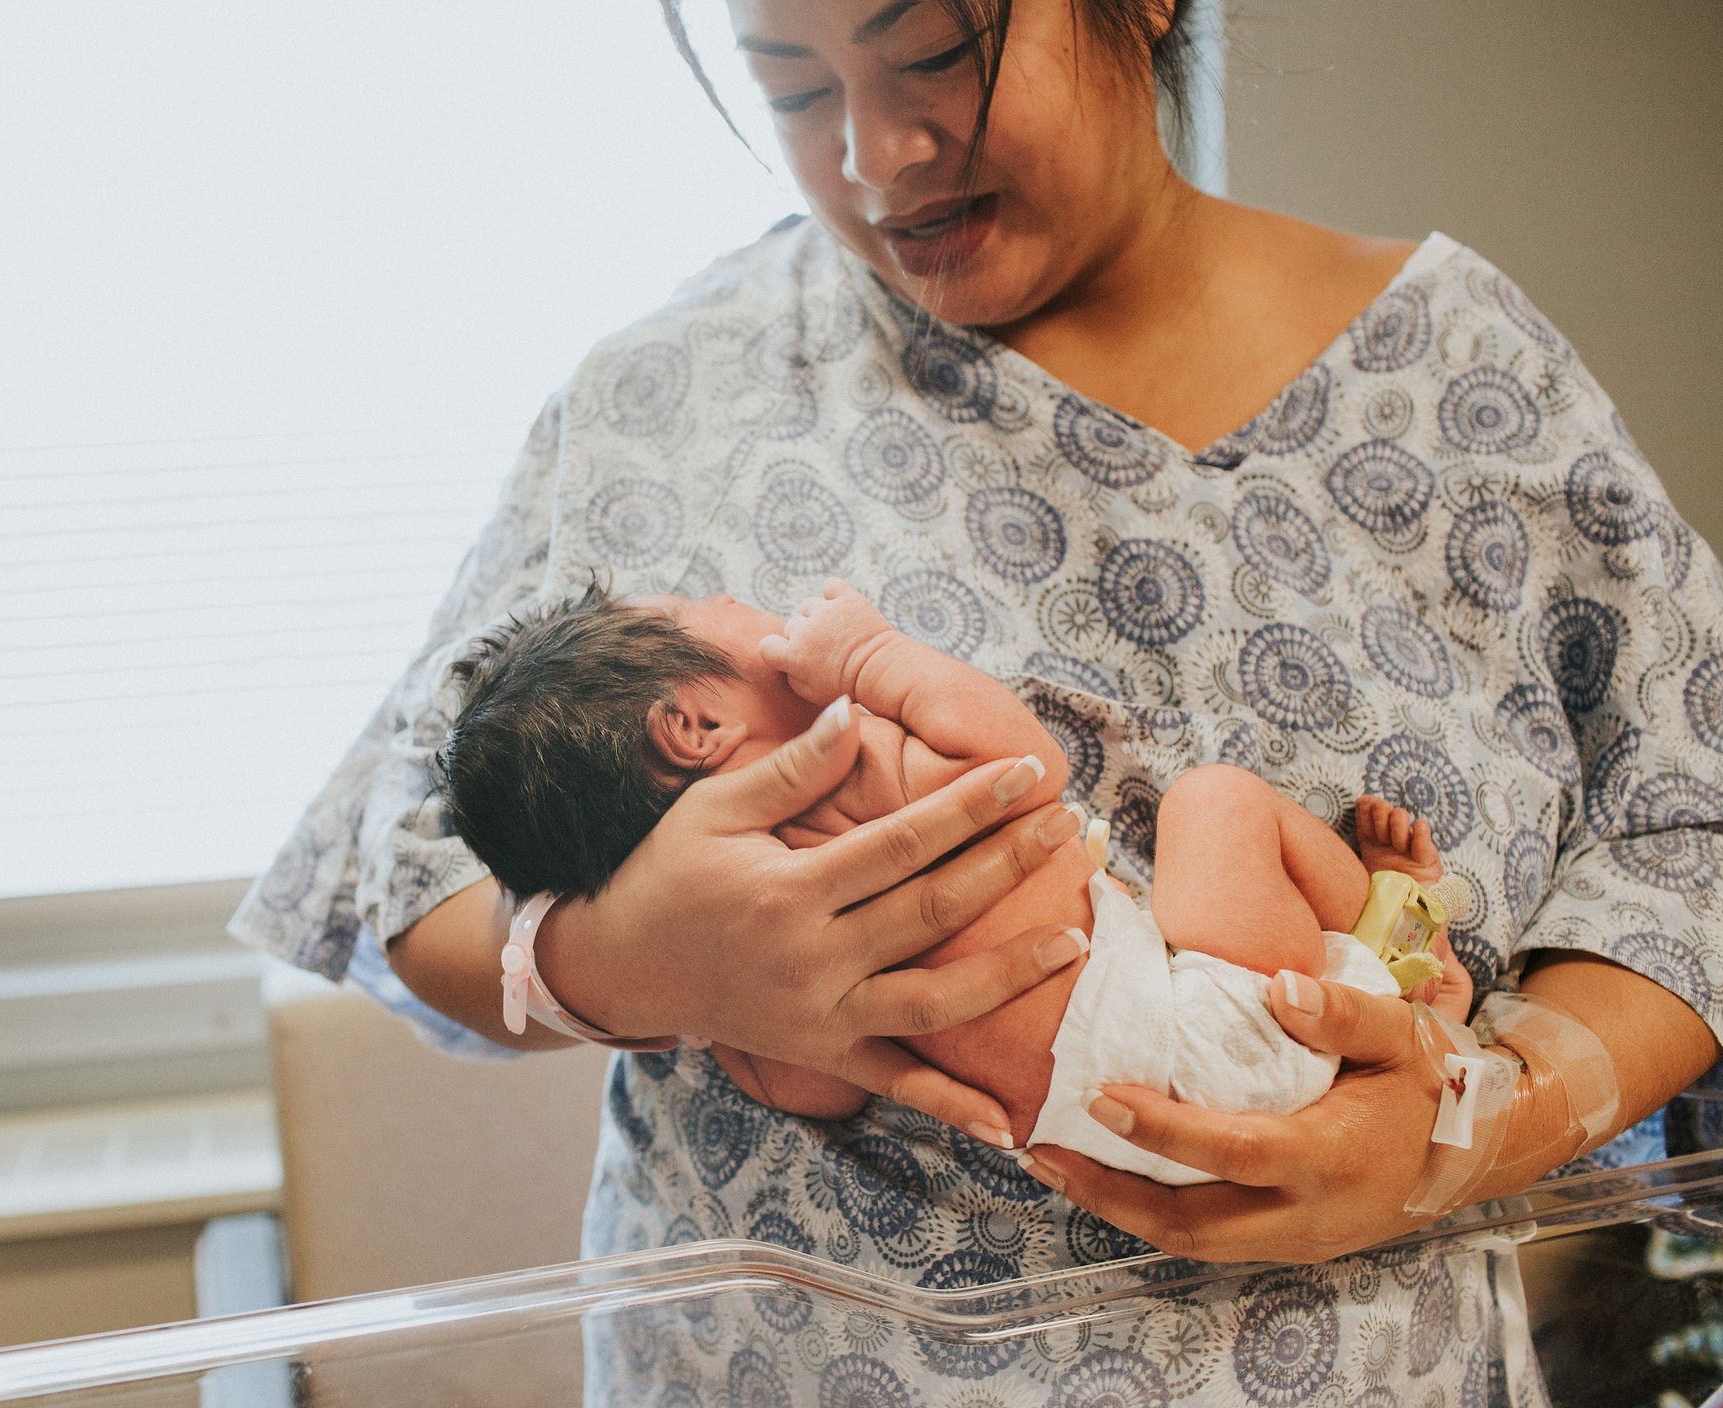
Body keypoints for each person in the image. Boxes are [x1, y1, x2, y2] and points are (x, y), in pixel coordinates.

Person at [230, 0, 1723, 1397]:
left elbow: (1690, 827)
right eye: (794, 88)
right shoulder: (671, 400)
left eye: (934, 52)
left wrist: (1476, 1121)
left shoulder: (1463, 381)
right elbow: (397, 883)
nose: (875, 156)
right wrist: (633, 960)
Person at [441, 574, 1463, 1159]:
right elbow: (1026, 768)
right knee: (1219, 801)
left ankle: (1385, 980)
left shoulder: (742, 1004)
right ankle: (1396, 935)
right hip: (1208, 1035)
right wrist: (876, 658)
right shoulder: (848, 770)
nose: (738, 596)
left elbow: (825, 1090)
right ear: (694, 724)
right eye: (714, 601)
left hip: (1127, 1144)